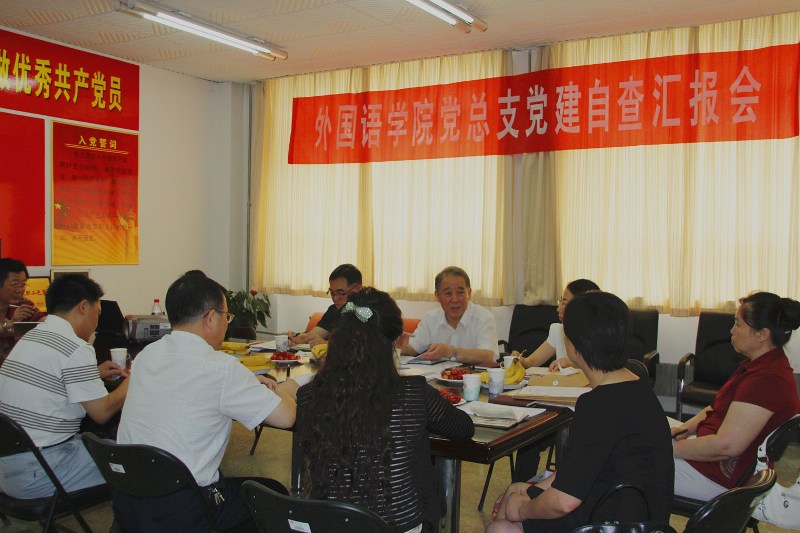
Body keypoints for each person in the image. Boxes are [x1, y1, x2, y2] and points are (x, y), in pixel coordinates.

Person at [115, 270, 298, 532]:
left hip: (129, 502)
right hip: (184, 511)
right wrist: (286, 389)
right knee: (274, 493)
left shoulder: (146, 355)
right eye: (226, 316)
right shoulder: (220, 367)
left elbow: (187, 389)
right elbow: (286, 417)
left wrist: (243, 382)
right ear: (211, 317)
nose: (227, 323)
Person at [487, 291, 674, 533]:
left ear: (574, 347)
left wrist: (522, 510)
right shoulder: (640, 389)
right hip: (639, 515)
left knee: (501, 527)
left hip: (611, 522)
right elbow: (578, 468)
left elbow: (564, 502)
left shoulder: (598, 405)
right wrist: (527, 492)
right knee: (515, 490)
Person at [296, 287, 474, 532]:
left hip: (328, 526)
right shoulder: (413, 393)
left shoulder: (308, 396)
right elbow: (463, 428)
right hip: (398, 525)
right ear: (394, 341)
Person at [0, 274, 128, 498]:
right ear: (83, 307)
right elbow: (102, 412)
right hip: (40, 471)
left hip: (7, 468)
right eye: (97, 314)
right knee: (133, 464)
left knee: (101, 443)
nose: (96, 322)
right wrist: (132, 382)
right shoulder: (75, 347)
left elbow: (51, 378)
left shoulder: (31, 336)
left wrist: (93, 373)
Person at [672, 292, 800, 501]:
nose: (732, 330)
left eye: (738, 324)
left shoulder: (767, 380)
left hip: (720, 479)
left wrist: (670, 448)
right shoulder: (759, 365)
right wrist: (684, 429)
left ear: (762, 334)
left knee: (629, 465)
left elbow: (727, 446)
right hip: (711, 458)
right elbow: (716, 408)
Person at [402, 266, 497, 365]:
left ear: (469, 293)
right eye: (448, 293)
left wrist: (451, 351)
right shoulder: (430, 318)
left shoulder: (484, 317)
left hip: (474, 374)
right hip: (436, 374)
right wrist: (396, 342)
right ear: (437, 296)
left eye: (460, 292)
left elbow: (487, 356)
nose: (454, 299)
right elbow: (412, 348)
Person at [514, 279, 600, 370]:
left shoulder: (600, 334)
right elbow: (531, 362)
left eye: (565, 303)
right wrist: (521, 361)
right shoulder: (558, 330)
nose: (558, 309)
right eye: (560, 301)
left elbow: (601, 368)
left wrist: (571, 364)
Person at [289, 263, 362, 346]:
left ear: (357, 289)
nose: (335, 298)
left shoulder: (368, 313)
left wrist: (325, 344)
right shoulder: (334, 310)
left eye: (341, 293)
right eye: (332, 293)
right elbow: (313, 335)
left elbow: (360, 348)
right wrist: (298, 337)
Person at [0, 258, 45, 335]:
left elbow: (43, 321)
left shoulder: (24, 303)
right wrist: (11, 323)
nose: (19, 290)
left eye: (23, 284)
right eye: (15, 284)